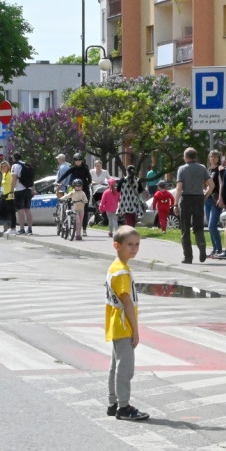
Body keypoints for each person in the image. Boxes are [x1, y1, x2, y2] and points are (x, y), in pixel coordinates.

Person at [104, 225, 149, 421]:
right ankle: (124, 407)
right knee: (125, 368)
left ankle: (113, 403)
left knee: (115, 366)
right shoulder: (121, 271)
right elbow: (127, 301)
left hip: (115, 323)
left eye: (137, 244)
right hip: (124, 325)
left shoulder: (115, 266)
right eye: (129, 244)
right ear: (117, 245)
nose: (134, 248)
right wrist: (135, 330)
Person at [175, 147, 214, 263]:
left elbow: (179, 188)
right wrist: (205, 196)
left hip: (186, 199)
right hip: (198, 199)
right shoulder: (202, 168)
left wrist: (175, 204)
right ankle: (202, 246)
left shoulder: (182, 169)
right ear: (195, 157)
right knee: (198, 227)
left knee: (185, 229)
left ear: (186, 157)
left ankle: (188, 257)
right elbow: (211, 185)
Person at [57, 153, 93, 231]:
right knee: (72, 206)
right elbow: (65, 174)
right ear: (74, 161)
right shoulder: (73, 168)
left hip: (84, 189)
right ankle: (71, 222)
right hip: (74, 189)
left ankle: (84, 228)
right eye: (76, 160)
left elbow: (89, 179)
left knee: (85, 208)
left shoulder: (85, 168)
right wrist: (58, 181)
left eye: (79, 160)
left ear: (82, 160)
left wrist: (85, 185)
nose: (78, 161)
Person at [205, 150, 224, 259]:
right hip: (207, 199)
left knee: (212, 226)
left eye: (215, 157)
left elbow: (221, 184)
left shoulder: (220, 169)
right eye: (211, 156)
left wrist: (221, 198)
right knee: (209, 226)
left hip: (215, 199)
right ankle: (214, 249)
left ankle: (219, 250)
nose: (213, 158)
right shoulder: (208, 170)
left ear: (219, 158)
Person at [10, 152, 34, 235]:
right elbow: (31, 179)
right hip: (28, 189)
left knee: (20, 210)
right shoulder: (27, 165)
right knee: (27, 209)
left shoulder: (15, 166)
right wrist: (32, 189)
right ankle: (30, 229)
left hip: (19, 190)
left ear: (14, 158)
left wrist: (11, 190)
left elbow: (14, 179)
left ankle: (22, 229)